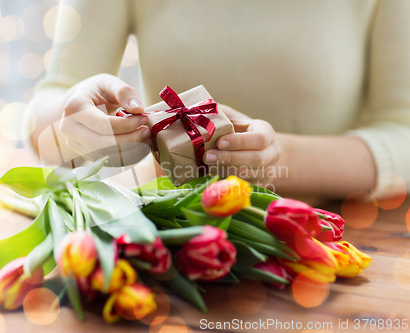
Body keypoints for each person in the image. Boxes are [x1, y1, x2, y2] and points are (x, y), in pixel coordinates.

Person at [29, 0, 410, 199]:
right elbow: (44, 119)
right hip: (173, 239)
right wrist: (73, 130)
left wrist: (274, 160)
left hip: (324, 246)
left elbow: (404, 132)